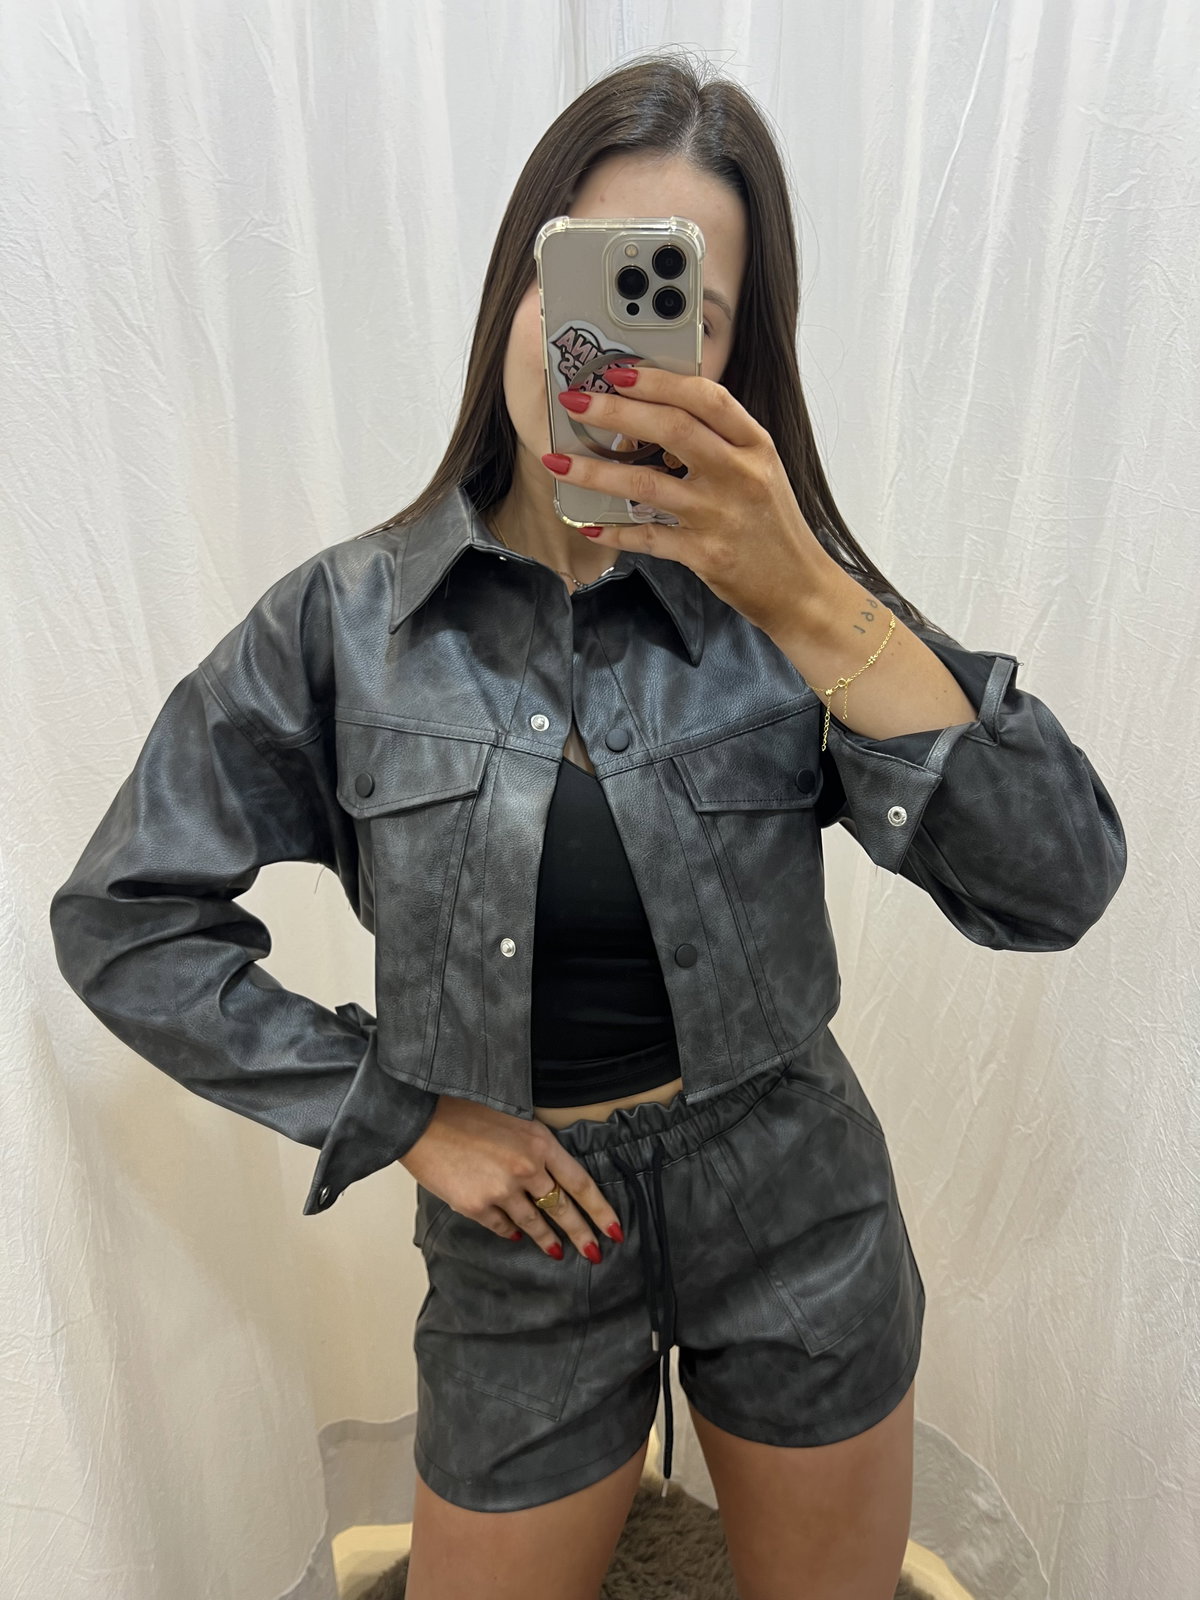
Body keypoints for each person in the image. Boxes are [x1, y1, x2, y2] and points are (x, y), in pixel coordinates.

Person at [48, 52, 1127, 1600]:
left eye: (678, 301)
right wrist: (400, 1113)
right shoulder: (345, 626)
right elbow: (124, 917)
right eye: (586, 274)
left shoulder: (792, 606)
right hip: (521, 1236)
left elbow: (1059, 882)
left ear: (731, 355)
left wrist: (813, 596)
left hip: (798, 1201)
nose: (612, 345)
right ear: (517, 288)